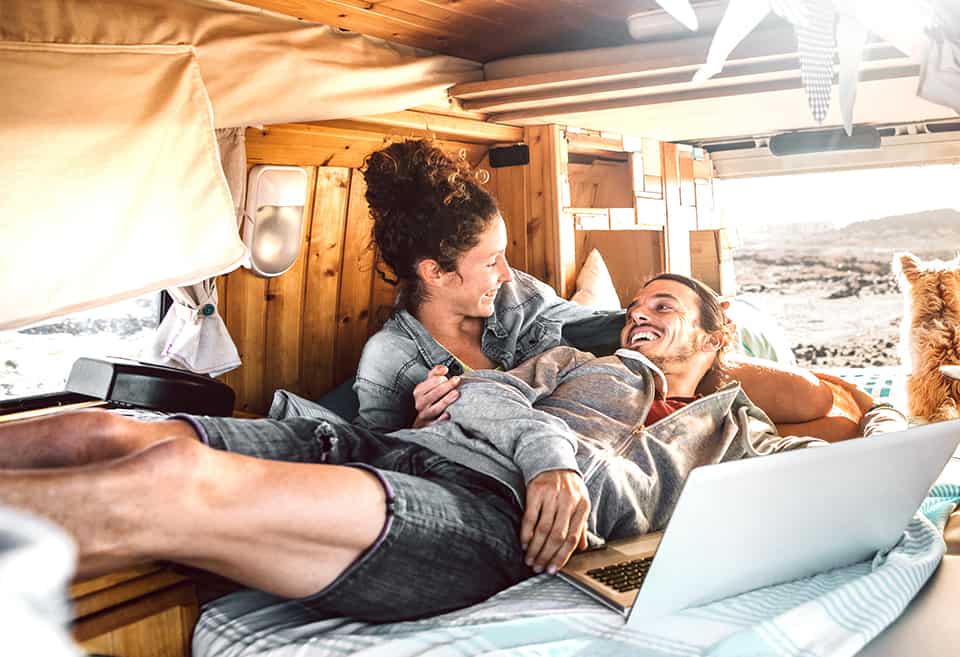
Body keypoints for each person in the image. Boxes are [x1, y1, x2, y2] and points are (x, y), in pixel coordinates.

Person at [0, 274, 902, 623]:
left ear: (716, 330)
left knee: (174, 476)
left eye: (667, 307)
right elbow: (490, 389)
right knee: (110, 428)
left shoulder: (735, 432)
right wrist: (550, 451)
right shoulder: (571, 356)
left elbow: (848, 422)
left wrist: (879, 422)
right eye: (640, 302)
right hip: (382, 444)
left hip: (479, 515)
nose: (642, 314)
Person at [355, 139, 834, 434]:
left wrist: (682, 321)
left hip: (619, 400)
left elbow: (596, 326)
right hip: (559, 460)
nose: (506, 273)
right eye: (490, 262)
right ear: (433, 272)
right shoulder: (391, 361)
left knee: (828, 412)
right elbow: (377, 462)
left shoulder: (515, 295)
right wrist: (420, 428)